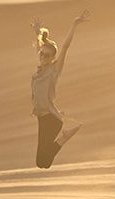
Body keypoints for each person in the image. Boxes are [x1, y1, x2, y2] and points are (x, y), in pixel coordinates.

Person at [29, 10, 90, 169]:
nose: (43, 57)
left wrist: (75, 24)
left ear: (52, 59)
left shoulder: (53, 70)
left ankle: (65, 136)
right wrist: (37, 32)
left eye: (47, 56)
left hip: (52, 119)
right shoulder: (39, 70)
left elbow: (65, 46)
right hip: (42, 118)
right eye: (42, 54)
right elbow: (40, 47)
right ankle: (64, 137)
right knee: (42, 163)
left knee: (43, 162)